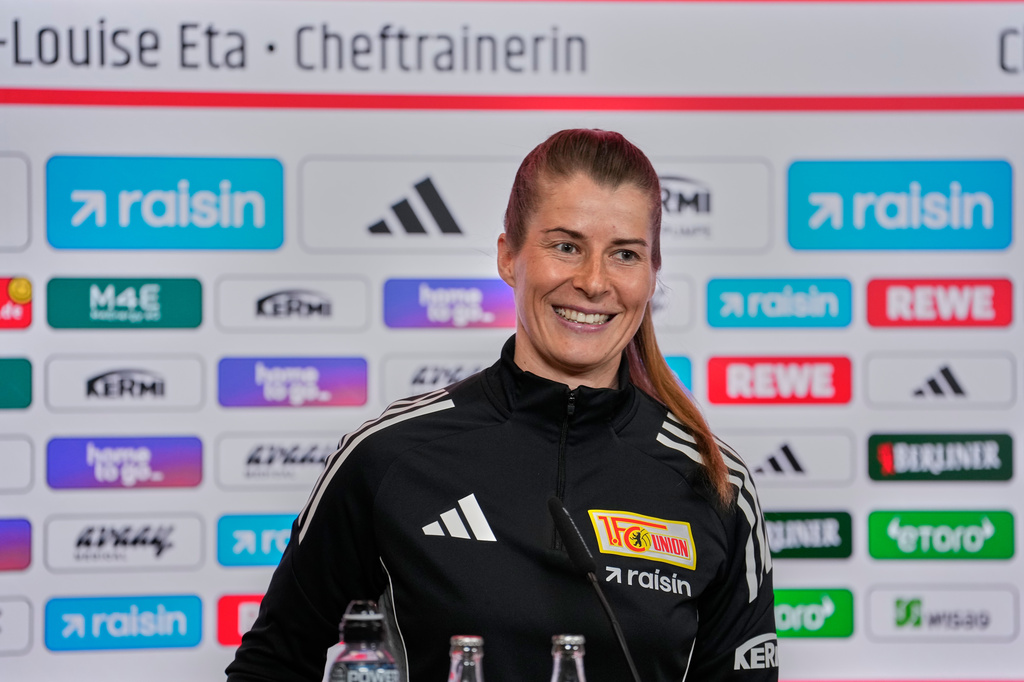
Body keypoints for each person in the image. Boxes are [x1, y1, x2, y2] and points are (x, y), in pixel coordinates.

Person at [226, 129, 777, 682]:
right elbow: (270, 666)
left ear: (651, 274)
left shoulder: (713, 480)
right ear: (508, 257)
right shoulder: (390, 456)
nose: (592, 282)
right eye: (566, 246)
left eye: (625, 255)